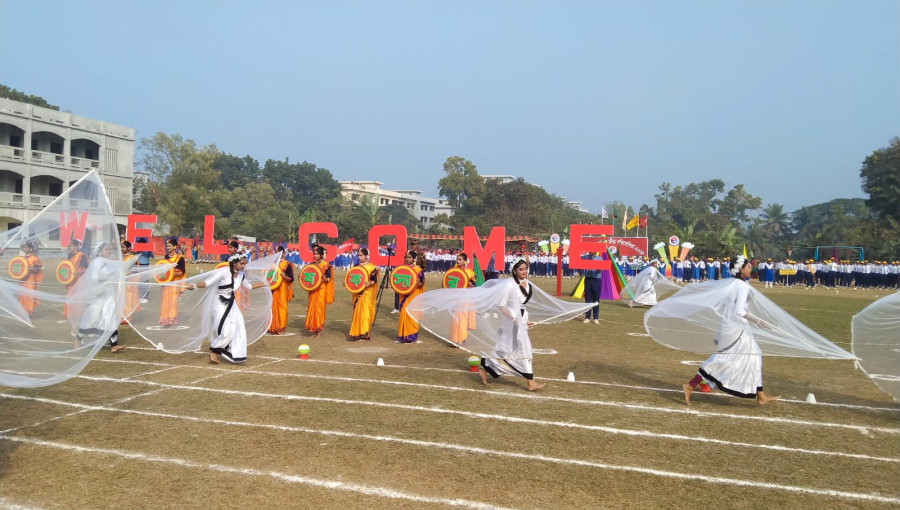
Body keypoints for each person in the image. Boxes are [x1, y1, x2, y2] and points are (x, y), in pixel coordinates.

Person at [682, 257, 780, 406]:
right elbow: (739, 310)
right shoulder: (742, 286)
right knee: (723, 359)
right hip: (737, 329)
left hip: (731, 326)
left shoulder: (732, 283)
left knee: (754, 356)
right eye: (748, 267)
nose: (750, 269)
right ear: (741, 269)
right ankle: (690, 385)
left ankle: (760, 395)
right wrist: (758, 321)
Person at [478, 260, 546, 391]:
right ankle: (530, 382)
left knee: (509, 349)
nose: (524, 271)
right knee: (523, 349)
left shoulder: (527, 283)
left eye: (525, 269)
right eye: (521, 269)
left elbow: (522, 306)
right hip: (511, 320)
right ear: (514, 270)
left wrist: (525, 321)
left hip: (521, 318)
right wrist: (515, 320)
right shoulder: (509, 285)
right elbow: (502, 306)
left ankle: (485, 369)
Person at [186, 253, 266, 364]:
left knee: (238, 328)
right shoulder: (224, 272)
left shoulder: (241, 275)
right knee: (226, 331)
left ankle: (224, 352)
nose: (243, 266)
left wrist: (264, 284)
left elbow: (249, 287)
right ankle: (214, 350)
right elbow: (207, 283)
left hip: (232, 306)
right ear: (234, 263)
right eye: (241, 263)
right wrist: (193, 286)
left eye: (244, 264)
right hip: (220, 304)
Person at [75, 243, 134, 352]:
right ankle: (78, 339)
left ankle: (113, 345)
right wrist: (108, 279)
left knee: (110, 318)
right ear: (100, 251)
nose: (109, 251)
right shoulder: (97, 262)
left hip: (109, 295)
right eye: (106, 250)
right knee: (90, 318)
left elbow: (116, 273)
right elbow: (95, 278)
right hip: (98, 295)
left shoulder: (109, 262)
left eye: (109, 249)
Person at [348, 248, 378, 341]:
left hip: (367, 293)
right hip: (357, 293)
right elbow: (351, 278)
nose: (359, 257)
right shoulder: (355, 266)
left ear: (366, 256)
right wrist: (346, 282)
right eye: (358, 255)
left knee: (365, 313)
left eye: (361, 255)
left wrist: (369, 283)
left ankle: (364, 334)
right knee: (357, 312)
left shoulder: (372, 267)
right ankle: (356, 333)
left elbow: (374, 280)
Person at [396, 250, 425, 343]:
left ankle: (411, 336)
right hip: (403, 295)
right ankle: (402, 336)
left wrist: (417, 283)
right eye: (406, 257)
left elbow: (422, 283)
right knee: (403, 313)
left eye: (409, 257)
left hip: (413, 295)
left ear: (414, 259)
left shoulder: (418, 270)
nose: (407, 259)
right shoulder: (401, 269)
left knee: (411, 314)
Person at [304, 245, 334, 336]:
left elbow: (328, 278)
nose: (315, 255)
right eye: (314, 254)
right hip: (313, 290)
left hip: (321, 289)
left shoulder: (326, 265)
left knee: (320, 309)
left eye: (317, 254)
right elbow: (307, 276)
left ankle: (319, 330)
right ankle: (313, 328)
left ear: (321, 255)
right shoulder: (312, 265)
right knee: (312, 308)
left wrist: (325, 279)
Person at [158, 238, 186, 327]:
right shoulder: (166, 257)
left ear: (175, 247)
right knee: (165, 300)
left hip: (175, 282)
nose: (168, 247)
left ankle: (171, 318)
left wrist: (175, 274)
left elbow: (183, 271)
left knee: (173, 301)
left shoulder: (180, 258)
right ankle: (165, 318)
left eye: (169, 246)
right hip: (167, 282)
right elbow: (164, 269)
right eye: (167, 246)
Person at [267, 246, 294, 334]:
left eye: (278, 252)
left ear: (283, 253)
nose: (276, 254)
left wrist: (284, 276)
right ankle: (272, 327)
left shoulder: (287, 264)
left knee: (282, 307)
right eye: (275, 252)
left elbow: (291, 278)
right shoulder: (272, 264)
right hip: (273, 288)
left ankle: (281, 327)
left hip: (282, 288)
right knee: (272, 307)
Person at [62, 239, 89, 319]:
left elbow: (86, 268)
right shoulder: (70, 256)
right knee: (70, 295)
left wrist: (78, 273)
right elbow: (67, 267)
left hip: (79, 279)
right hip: (71, 279)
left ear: (77, 246)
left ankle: (78, 313)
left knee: (78, 296)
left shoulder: (82, 255)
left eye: (73, 246)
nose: (71, 248)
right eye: (70, 246)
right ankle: (70, 312)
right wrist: (66, 278)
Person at [18, 241, 43, 317]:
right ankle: (24, 311)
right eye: (24, 248)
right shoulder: (22, 258)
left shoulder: (34, 258)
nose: (25, 249)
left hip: (31, 280)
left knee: (30, 296)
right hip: (23, 280)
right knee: (23, 295)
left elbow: (39, 268)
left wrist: (32, 269)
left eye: (26, 247)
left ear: (30, 249)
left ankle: (30, 312)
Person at [121, 240, 141, 322]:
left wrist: (128, 273)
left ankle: (127, 316)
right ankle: (122, 315)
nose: (122, 249)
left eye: (123, 247)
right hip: (122, 281)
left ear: (129, 248)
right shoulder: (120, 257)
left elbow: (135, 270)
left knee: (128, 299)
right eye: (121, 247)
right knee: (121, 299)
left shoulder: (132, 258)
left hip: (129, 281)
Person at [581, 252, 602, 324]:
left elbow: (601, 269)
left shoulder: (599, 258)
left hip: (596, 279)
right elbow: (576, 258)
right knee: (588, 298)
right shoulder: (585, 257)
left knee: (596, 299)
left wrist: (598, 267)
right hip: (588, 279)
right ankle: (587, 317)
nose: (591, 251)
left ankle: (595, 317)